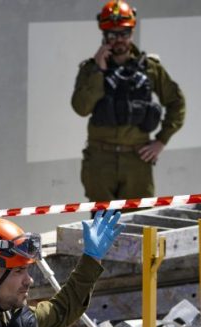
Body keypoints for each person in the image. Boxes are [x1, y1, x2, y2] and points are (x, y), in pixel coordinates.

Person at [71, 0, 185, 202]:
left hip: (137, 160)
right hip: (99, 160)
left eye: (124, 33)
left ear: (131, 33)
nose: (119, 40)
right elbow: (81, 108)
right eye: (112, 34)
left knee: (137, 225)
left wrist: (161, 141)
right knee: (101, 227)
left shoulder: (150, 68)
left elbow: (176, 103)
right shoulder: (90, 69)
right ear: (104, 36)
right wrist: (99, 70)